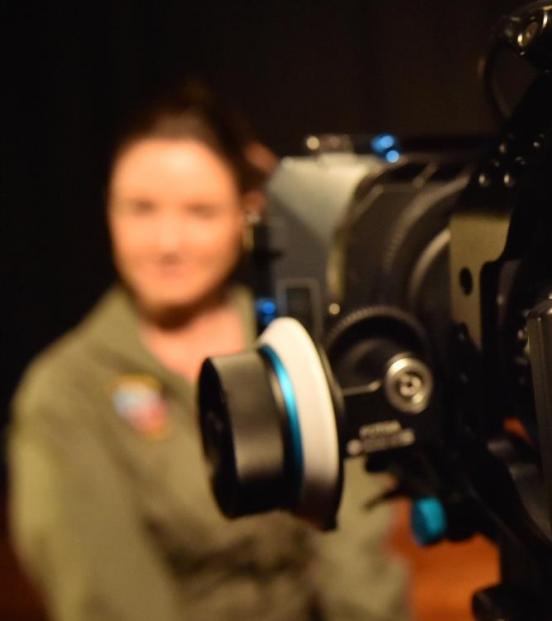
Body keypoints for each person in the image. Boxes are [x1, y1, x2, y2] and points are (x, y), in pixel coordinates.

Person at [8, 84, 409, 621]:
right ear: (108, 209)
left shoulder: (294, 347)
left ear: (247, 215)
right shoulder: (65, 392)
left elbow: (354, 551)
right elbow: (111, 601)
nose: (167, 241)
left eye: (200, 211)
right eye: (141, 208)